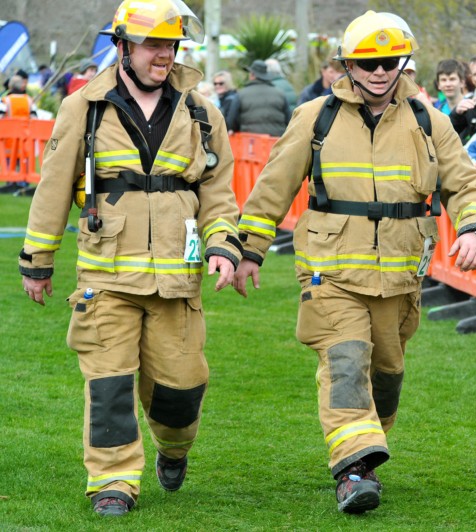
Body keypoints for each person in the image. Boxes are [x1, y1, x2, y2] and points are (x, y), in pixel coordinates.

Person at [233, 10, 476, 514]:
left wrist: (473, 228)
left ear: (403, 64)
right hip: (330, 275)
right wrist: (249, 251)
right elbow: (272, 188)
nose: (379, 72)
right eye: (367, 63)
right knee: (346, 363)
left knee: (386, 376)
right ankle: (352, 473)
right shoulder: (315, 117)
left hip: (399, 279)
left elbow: (465, 184)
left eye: (389, 62)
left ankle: (365, 454)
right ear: (347, 65)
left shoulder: (429, 121)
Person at [18, 0, 242, 517]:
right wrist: (38, 260)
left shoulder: (202, 112)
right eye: (152, 45)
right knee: (110, 386)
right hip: (106, 278)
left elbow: (218, 193)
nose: (164, 55)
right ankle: (112, 480)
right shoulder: (84, 107)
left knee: (180, 396)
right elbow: (53, 188)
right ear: (122, 47)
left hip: (177, 282)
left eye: (171, 45)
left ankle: (173, 449)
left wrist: (222, 245)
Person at [231, 59, 290, 136]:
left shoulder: (241, 94)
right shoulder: (280, 94)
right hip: (276, 140)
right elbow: (289, 121)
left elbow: (232, 122)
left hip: (250, 141)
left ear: (252, 75)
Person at [213, 69, 240, 134]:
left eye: (221, 83)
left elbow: (231, 122)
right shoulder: (222, 99)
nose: (217, 86)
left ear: (227, 84)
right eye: (215, 83)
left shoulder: (231, 99)